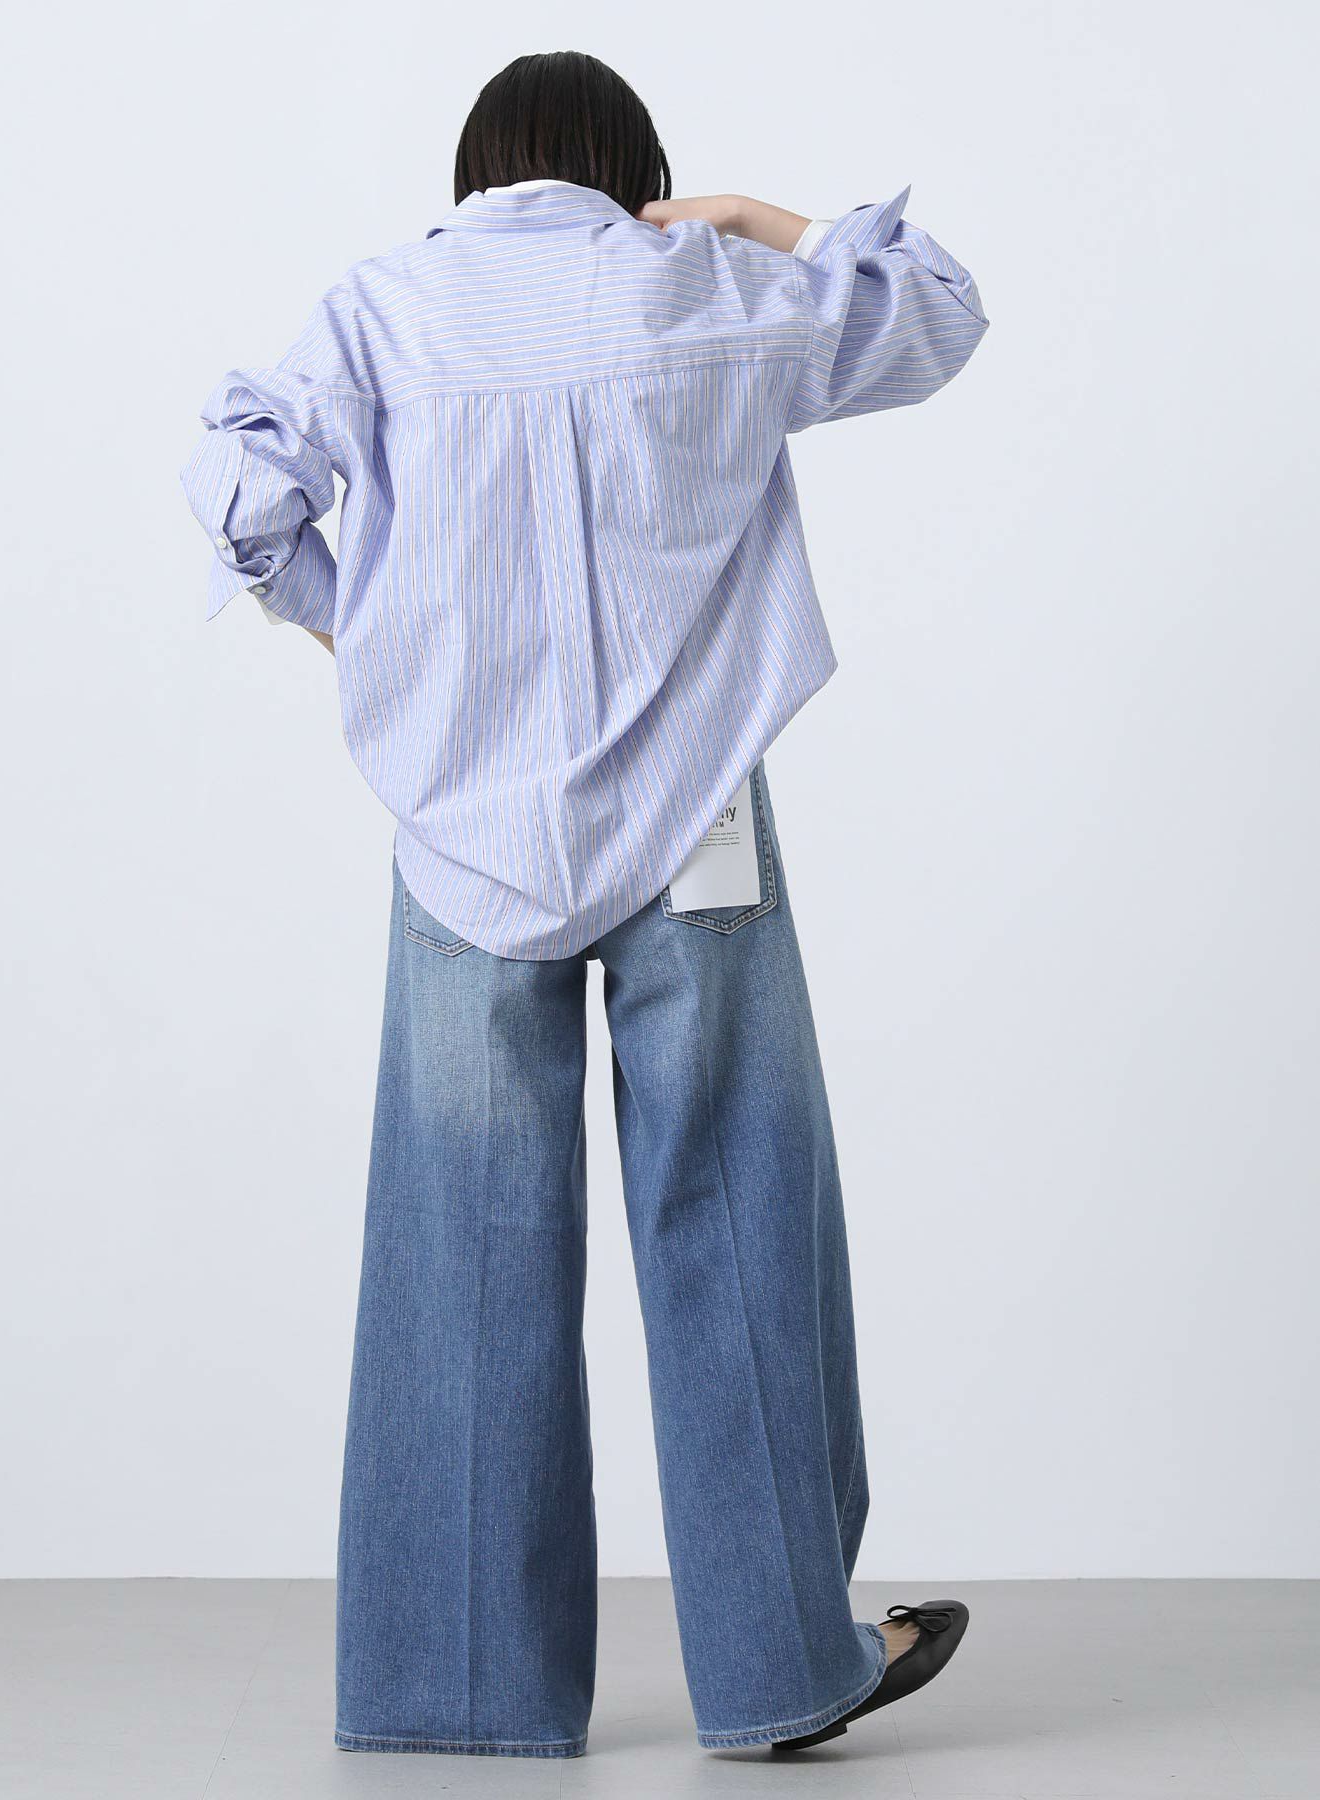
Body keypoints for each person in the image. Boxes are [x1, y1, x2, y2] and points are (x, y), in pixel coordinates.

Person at [180, 49, 987, 1761]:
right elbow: (934, 308)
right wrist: (756, 215)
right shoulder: (701, 284)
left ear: (475, 173)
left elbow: (242, 493)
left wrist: (359, 634)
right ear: (635, 171)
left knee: (459, 1244)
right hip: (695, 825)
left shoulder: (385, 310)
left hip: (461, 836)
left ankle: (456, 1689)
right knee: (738, 1216)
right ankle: (782, 1672)